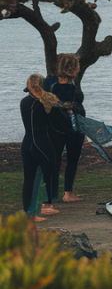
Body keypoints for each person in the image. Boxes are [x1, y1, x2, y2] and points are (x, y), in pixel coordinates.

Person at [21, 73, 67, 220]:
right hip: (41, 144)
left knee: (29, 179)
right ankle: (38, 210)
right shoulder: (43, 104)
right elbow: (58, 124)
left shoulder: (24, 102)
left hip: (27, 143)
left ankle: (29, 212)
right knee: (42, 177)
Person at [44, 53, 85, 202]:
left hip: (54, 127)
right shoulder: (71, 88)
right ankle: (68, 193)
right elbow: (78, 107)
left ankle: (52, 193)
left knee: (54, 161)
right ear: (73, 69)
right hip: (72, 128)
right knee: (72, 160)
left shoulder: (50, 85)